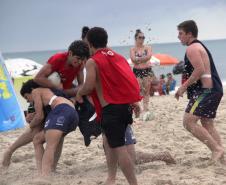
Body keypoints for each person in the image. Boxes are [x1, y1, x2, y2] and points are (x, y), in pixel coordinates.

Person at [1, 40, 90, 168]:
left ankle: (51, 167)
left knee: (58, 135)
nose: (80, 62)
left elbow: (81, 86)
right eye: (77, 59)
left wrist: (69, 93)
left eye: (82, 60)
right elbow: (38, 78)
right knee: (35, 129)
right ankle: (10, 151)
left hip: (61, 100)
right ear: (70, 53)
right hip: (48, 96)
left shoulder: (80, 65)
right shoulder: (58, 59)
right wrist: (57, 88)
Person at [76, 27, 141, 185]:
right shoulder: (117, 56)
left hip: (111, 110)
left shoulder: (93, 61)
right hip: (124, 107)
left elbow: (89, 85)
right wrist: (134, 101)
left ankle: (134, 183)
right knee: (107, 142)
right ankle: (111, 178)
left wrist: (79, 92)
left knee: (120, 149)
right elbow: (125, 80)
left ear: (90, 44)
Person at [175, 20, 224, 163]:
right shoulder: (199, 46)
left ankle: (217, 149)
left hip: (206, 90)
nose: (179, 37)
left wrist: (183, 87)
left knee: (188, 121)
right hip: (214, 88)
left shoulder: (192, 48)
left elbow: (199, 70)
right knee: (207, 123)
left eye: (181, 34)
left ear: (189, 34)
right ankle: (222, 157)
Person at [20, 79, 78, 176]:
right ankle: (46, 171)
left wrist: (30, 124)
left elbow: (40, 117)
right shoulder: (49, 92)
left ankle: (44, 176)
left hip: (62, 111)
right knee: (37, 139)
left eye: (26, 97)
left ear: (31, 89)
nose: (27, 101)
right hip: (73, 115)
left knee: (50, 147)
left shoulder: (36, 91)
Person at [130, 29, 153, 112]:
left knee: (146, 90)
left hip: (147, 70)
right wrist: (143, 59)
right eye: (140, 37)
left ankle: (146, 109)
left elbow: (149, 57)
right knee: (137, 90)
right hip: (137, 71)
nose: (142, 39)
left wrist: (138, 59)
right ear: (136, 38)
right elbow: (133, 60)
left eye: (143, 37)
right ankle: (138, 108)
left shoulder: (148, 47)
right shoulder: (133, 49)